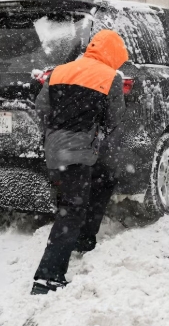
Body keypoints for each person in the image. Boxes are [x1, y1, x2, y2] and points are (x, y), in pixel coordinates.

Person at [31, 29, 128, 295]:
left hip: (55, 149)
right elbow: (113, 119)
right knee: (71, 209)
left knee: (103, 179)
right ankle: (47, 278)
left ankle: (84, 239)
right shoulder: (111, 78)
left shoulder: (60, 71)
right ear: (114, 54)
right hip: (81, 150)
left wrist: (57, 130)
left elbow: (41, 108)